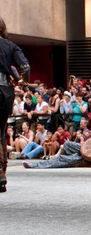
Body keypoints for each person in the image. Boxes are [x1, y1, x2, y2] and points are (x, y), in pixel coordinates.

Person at [0, 17, 30, 192]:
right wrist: (18, 81)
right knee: (2, 130)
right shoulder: (11, 46)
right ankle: (2, 173)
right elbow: (25, 66)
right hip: (6, 91)